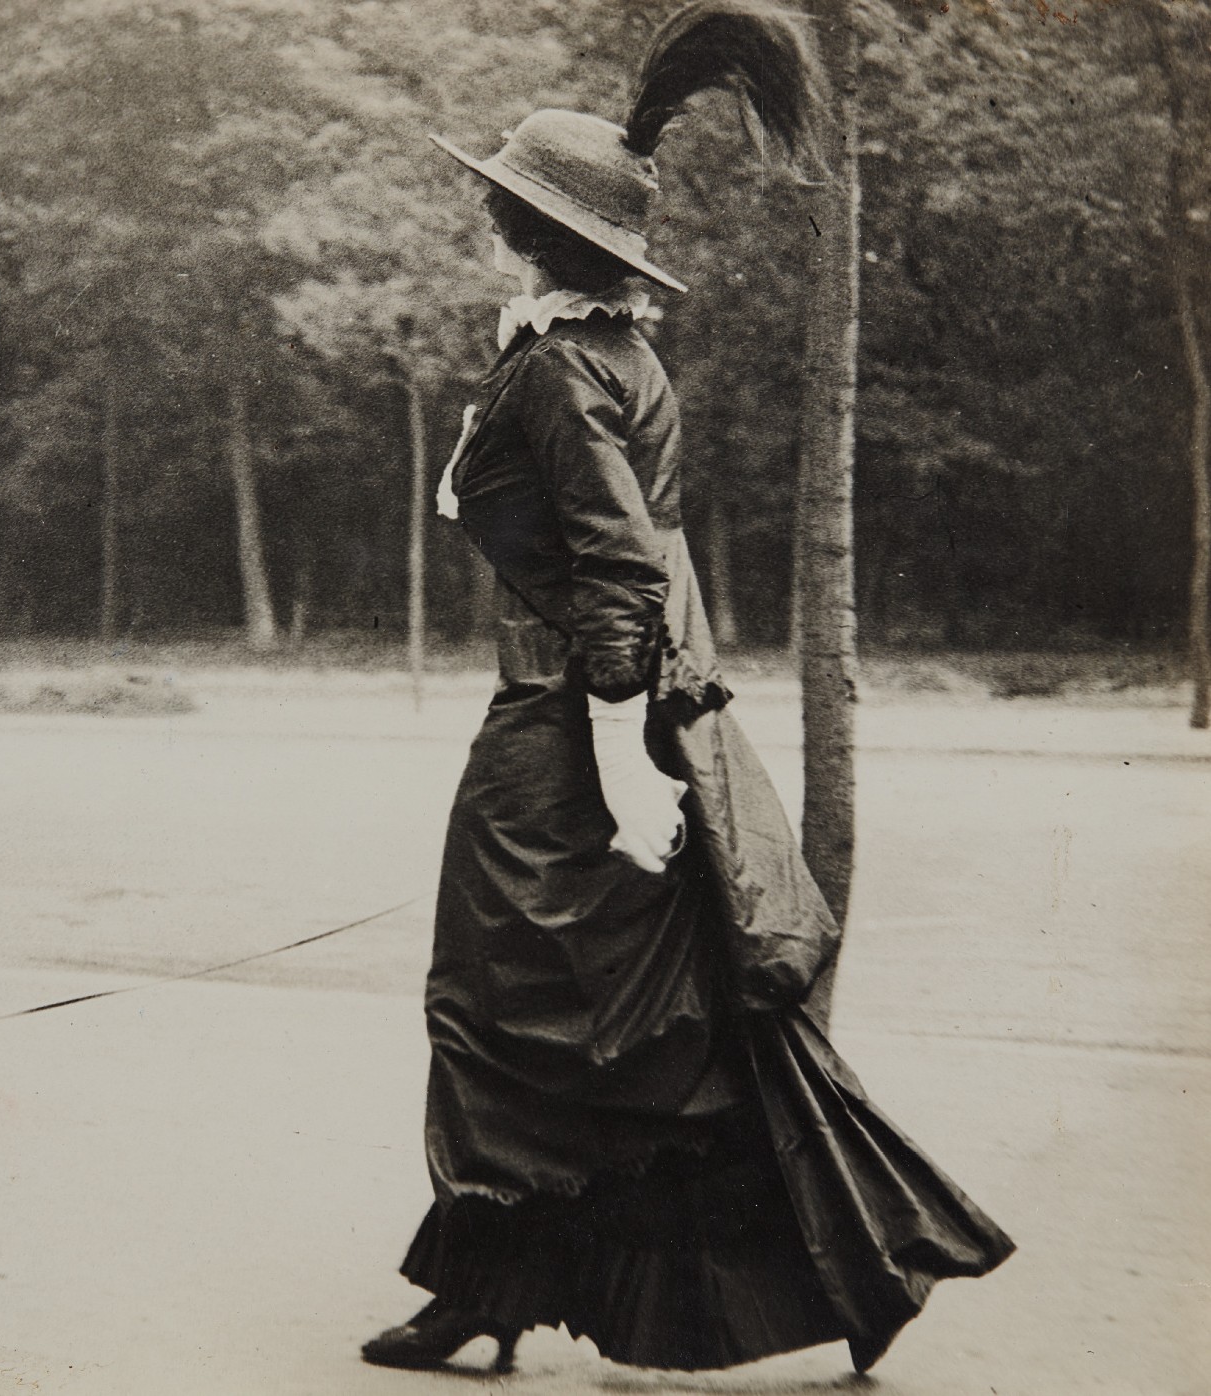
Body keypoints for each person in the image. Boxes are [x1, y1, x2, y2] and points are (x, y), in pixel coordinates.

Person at [360, 0, 1014, 1377]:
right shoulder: (608, 352)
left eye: (496, 201)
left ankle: (492, 1286)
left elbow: (614, 569)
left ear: (526, 227)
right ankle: (508, 1283)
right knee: (589, 1023)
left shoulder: (557, 371)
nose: (485, 215)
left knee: (497, 1011)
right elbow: (622, 556)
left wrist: (605, 751)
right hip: (591, 719)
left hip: (559, 727)